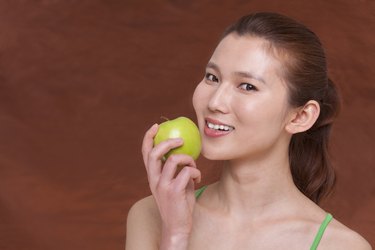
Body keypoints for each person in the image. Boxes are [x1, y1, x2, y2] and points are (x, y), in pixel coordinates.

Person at [126, 12, 372, 250]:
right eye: (212, 77)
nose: (215, 102)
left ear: (300, 116)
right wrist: (176, 235)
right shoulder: (151, 215)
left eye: (247, 86)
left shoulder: (341, 246)